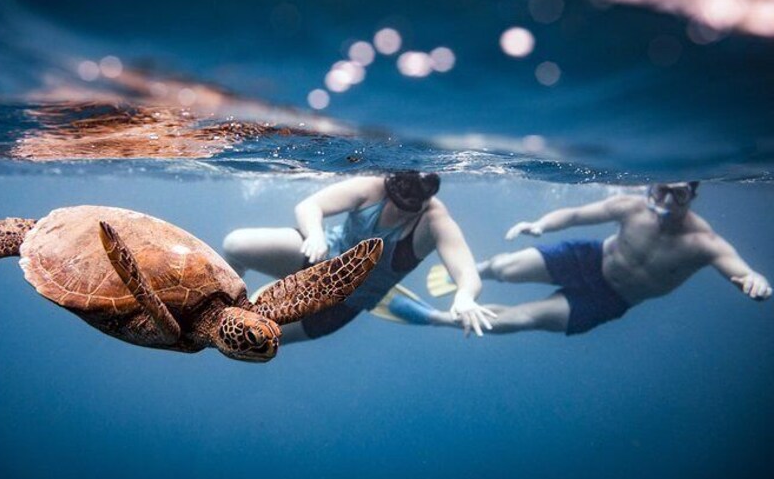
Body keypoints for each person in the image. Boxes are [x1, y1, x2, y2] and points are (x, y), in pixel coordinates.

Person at [467, 182, 771, 335]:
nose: (666, 201)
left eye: (678, 195)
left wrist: (755, 282)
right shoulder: (632, 207)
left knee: (525, 318)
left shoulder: (704, 243)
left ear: (692, 196)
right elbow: (574, 215)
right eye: (662, 190)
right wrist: (540, 225)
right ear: (652, 188)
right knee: (504, 268)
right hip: (588, 258)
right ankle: (474, 272)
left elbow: (743, 273)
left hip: (611, 300)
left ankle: (436, 319)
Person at [222, 171, 493, 341]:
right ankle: (224, 293)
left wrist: (464, 296)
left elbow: (467, 273)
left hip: (342, 303)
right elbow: (310, 205)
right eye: (395, 202)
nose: (397, 212)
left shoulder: (435, 223)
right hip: (321, 257)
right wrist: (314, 234)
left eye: (407, 209)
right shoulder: (372, 186)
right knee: (235, 244)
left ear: (425, 202)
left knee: (246, 337)